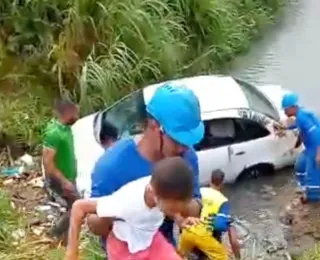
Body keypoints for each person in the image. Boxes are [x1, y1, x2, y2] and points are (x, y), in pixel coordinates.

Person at [87, 83, 205, 251]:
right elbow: (94, 225)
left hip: (162, 248)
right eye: (177, 141)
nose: (183, 148)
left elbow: (195, 208)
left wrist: (169, 201)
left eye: (187, 142)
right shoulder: (111, 167)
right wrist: (123, 208)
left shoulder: (186, 156)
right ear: (155, 125)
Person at [66, 157, 196, 260]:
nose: (175, 212)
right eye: (173, 209)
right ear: (154, 194)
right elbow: (79, 207)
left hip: (150, 239)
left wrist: (179, 220)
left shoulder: (161, 187)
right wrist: (72, 253)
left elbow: (169, 207)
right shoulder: (126, 202)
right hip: (124, 248)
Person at [178, 169, 241, 260]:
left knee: (178, 256)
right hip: (203, 236)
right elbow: (221, 226)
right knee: (222, 256)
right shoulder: (223, 200)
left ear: (210, 180)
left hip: (187, 231)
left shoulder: (199, 191)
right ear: (222, 184)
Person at [42, 99, 80, 242]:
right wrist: (64, 182)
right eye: (76, 112)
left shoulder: (65, 128)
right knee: (76, 207)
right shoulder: (54, 133)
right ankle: (54, 233)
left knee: (73, 207)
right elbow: (47, 162)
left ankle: (65, 237)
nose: (78, 115)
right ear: (68, 112)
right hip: (60, 179)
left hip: (69, 176)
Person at [281, 92, 320, 202]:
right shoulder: (300, 116)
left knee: (313, 174)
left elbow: (317, 133)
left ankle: (314, 200)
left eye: (285, 109)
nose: (284, 112)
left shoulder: (303, 118)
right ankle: (304, 189)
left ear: (293, 107)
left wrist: (318, 153)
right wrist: (285, 128)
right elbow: (301, 129)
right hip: (309, 148)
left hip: (315, 148)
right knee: (300, 166)